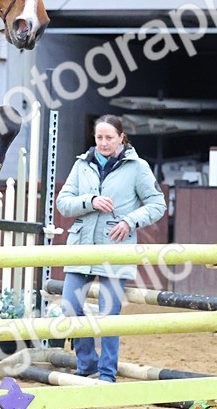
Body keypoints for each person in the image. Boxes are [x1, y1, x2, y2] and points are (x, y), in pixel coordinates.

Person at [55, 114, 166, 382]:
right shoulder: (81, 164)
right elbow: (63, 202)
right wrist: (90, 201)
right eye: (99, 137)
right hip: (81, 247)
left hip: (116, 247)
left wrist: (130, 220)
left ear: (121, 138)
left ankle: (107, 373)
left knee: (108, 315)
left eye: (109, 138)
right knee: (70, 307)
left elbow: (158, 204)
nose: (103, 143)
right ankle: (87, 364)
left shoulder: (138, 167)